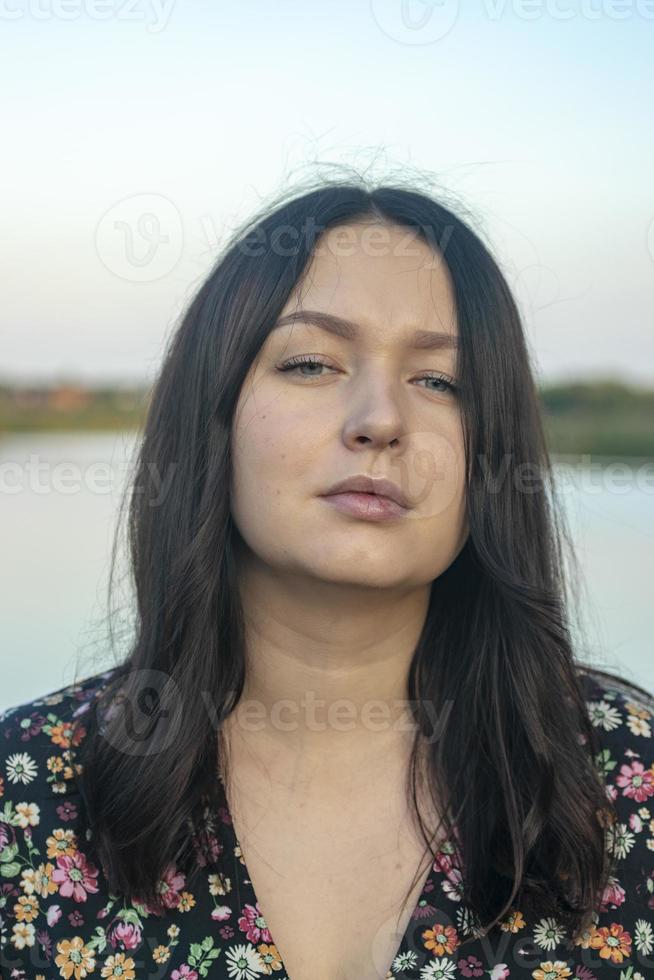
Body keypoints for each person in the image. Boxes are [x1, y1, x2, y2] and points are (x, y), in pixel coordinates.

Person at [1, 178, 653, 980]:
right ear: (215, 415)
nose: (379, 419)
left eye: (440, 381)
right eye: (311, 362)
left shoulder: (628, 774)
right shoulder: (25, 789)